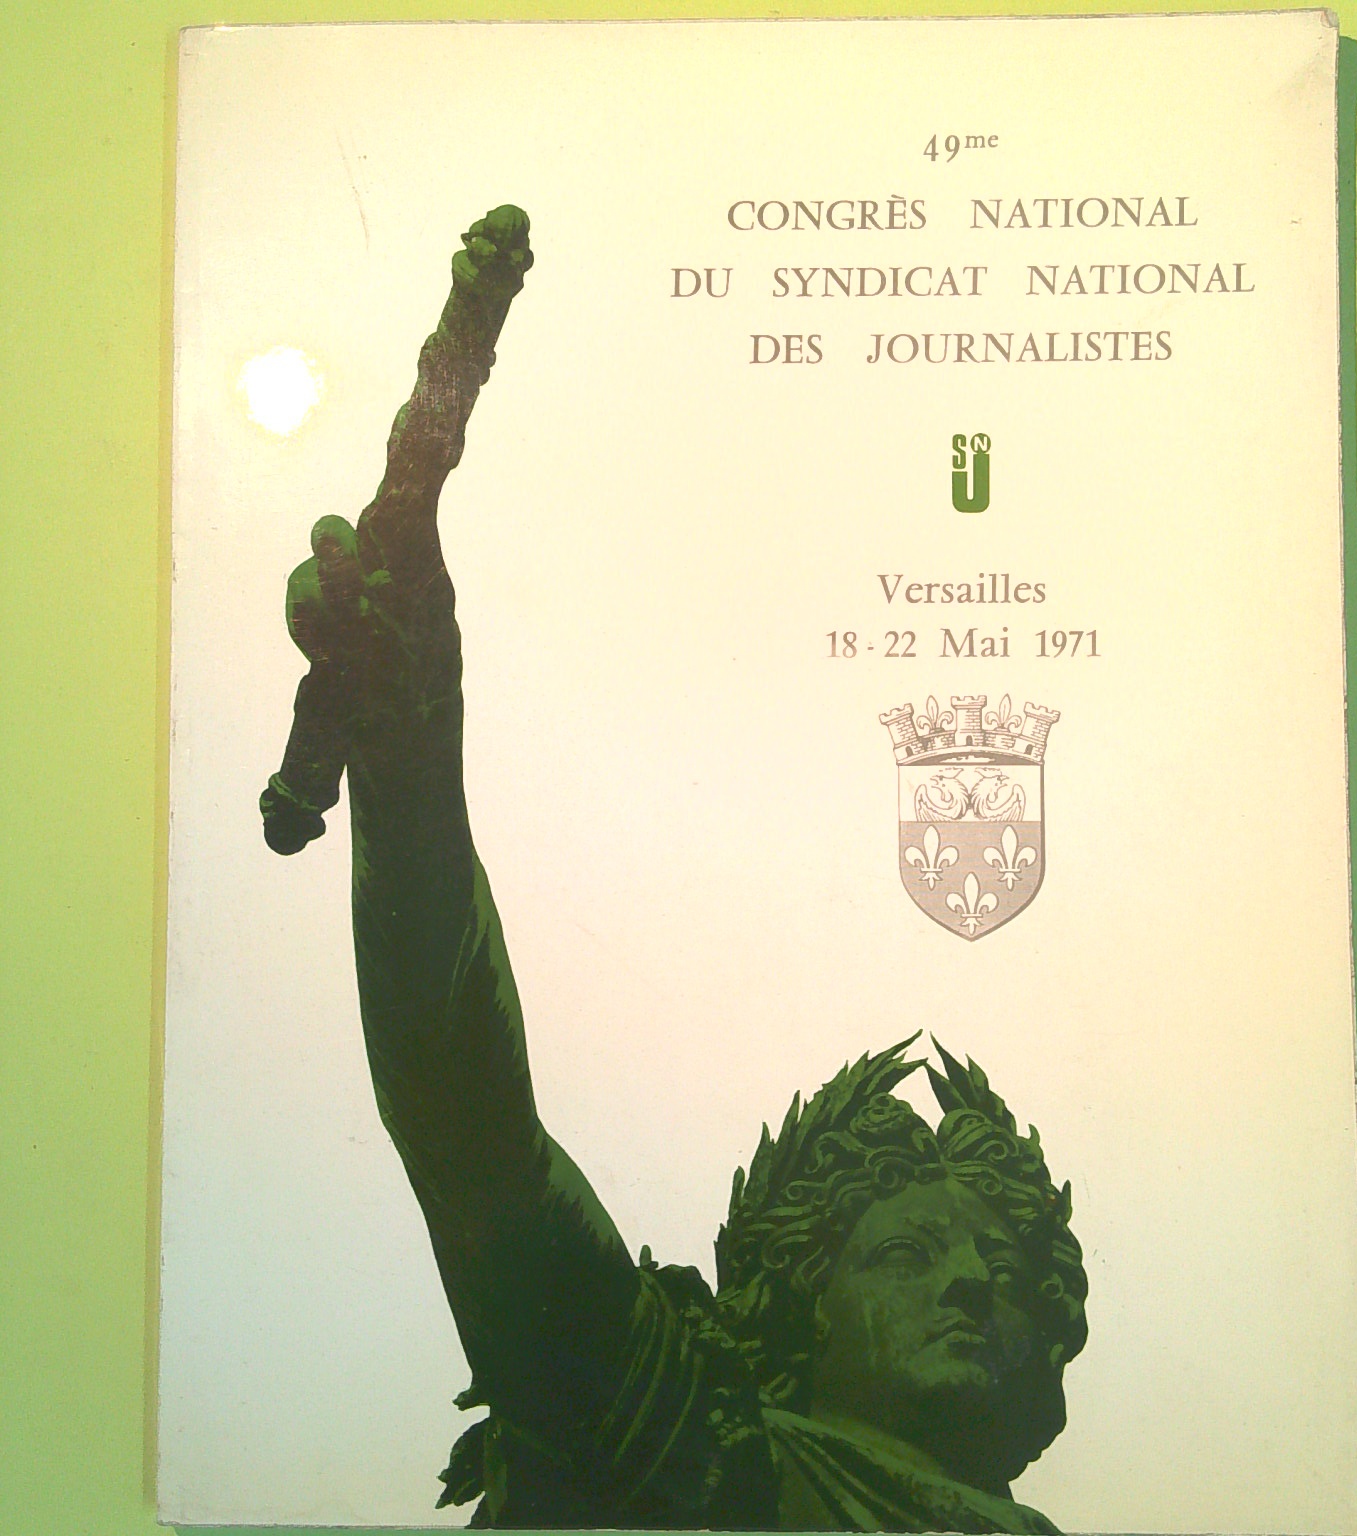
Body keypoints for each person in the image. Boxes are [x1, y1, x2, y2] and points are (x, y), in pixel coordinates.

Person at [263, 206, 1088, 1532]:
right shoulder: (707, 1446)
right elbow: (474, 1138)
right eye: (908, 1252)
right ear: (790, 1315)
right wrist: (408, 757)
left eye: (999, 1262)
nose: (973, 1284)